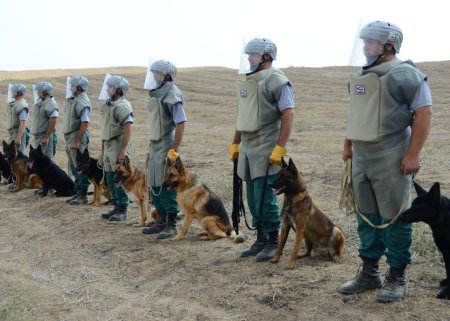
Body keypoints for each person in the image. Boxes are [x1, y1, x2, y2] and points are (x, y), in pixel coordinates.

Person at [339, 21, 433, 303]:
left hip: (391, 154)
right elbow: (357, 112)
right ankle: (369, 273)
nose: (365, 46)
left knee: (394, 215)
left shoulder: (406, 75)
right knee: (366, 215)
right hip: (362, 157)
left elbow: (424, 113)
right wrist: (348, 142)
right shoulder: (361, 76)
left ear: (388, 45)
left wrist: (412, 154)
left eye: (371, 42)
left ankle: (397, 276)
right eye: (364, 41)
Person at [229, 38, 294, 262]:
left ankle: (273, 240)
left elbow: (288, 114)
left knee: (265, 197)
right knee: (252, 196)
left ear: (266, 56)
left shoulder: (277, 80)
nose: (249, 59)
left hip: (266, 149)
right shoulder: (248, 82)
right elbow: (241, 117)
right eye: (248, 55)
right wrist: (236, 142)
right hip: (248, 149)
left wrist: (280, 148)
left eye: (253, 55)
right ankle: (260, 238)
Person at [142, 60, 187, 239]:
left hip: (167, 145)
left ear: (166, 76)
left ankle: (171, 223)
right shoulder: (156, 96)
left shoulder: (172, 95)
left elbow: (181, 123)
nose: (153, 76)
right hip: (155, 145)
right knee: (154, 182)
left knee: (166, 183)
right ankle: (161, 219)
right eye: (152, 73)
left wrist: (174, 151)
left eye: (157, 73)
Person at [99, 75, 133, 221]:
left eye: (111, 87)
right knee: (110, 177)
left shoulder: (122, 106)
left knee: (119, 178)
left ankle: (123, 209)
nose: (107, 89)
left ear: (119, 89)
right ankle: (116, 206)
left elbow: (128, 127)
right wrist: (102, 149)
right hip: (108, 146)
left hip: (117, 145)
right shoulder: (109, 105)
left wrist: (123, 150)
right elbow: (105, 129)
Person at [62, 76, 91, 205]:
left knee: (80, 167)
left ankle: (83, 195)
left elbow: (85, 122)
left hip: (76, 137)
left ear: (79, 87)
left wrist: (77, 140)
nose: (70, 87)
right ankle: (78, 192)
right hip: (71, 137)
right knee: (74, 166)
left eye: (72, 85)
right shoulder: (73, 100)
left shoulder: (82, 102)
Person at [30, 82, 58, 160]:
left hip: (44, 138)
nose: (37, 93)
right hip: (38, 137)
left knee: (46, 161)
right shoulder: (40, 103)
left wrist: (46, 137)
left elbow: (53, 122)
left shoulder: (51, 104)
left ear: (45, 92)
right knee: (37, 160)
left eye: (39, 91)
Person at [6, 84, 29, 153]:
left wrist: (19, 138)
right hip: (13, 134)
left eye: (13, 91)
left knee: (18, 157)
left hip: (17, 133)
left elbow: (23, 122)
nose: (12, 92)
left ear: (18, 93)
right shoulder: (15, 103)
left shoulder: (22, 105)